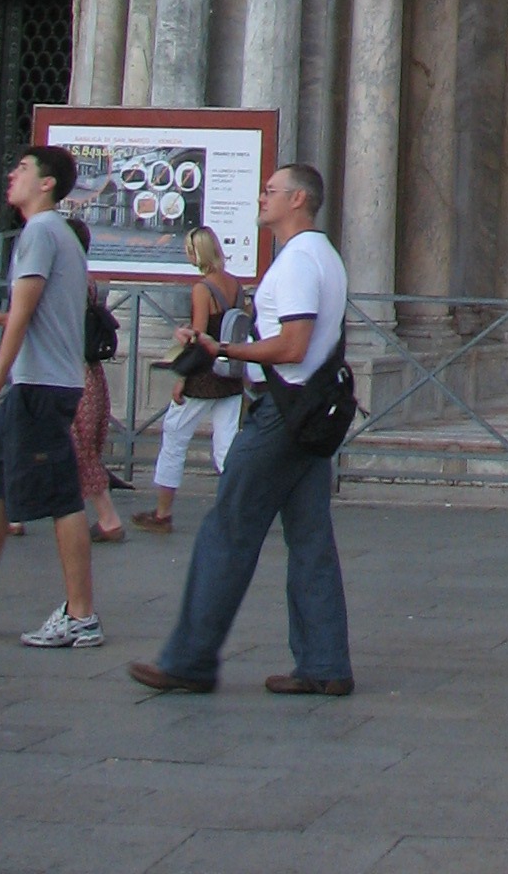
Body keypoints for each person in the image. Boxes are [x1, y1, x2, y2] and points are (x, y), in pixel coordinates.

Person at [128, 164, 353, 697]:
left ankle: (190, 659)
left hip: (282, 411)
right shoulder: (323, 256)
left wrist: (223, 349)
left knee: (227, 529)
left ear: (298, 199)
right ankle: (324, 662)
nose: (262, 197)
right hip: (308, 411)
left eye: (271, 191)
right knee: (310, 539)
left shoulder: (298, 260)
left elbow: (293, 345)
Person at [0, 145, 101, 648]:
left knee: (62, 499)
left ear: (46, 184)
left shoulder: (39, 231)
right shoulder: (55, 234)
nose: (11, 174)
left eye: (22, 168)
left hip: (40, 385)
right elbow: (41, 311)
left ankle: (81, 616)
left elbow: (25, 309)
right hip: (40, 382)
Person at [134, 225, 244, 533]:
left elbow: (199, 337)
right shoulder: (235, 285)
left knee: (175, 435)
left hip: (204, 375)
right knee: (226, 447)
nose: (187, 254)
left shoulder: (202, 288)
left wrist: (182, 376)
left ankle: (163, 512)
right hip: (231, 373)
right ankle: (237, 514)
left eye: (190, 249)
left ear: (199, 253)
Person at [64, 218, 124, 544]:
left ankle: (107, 516)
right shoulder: (88, 279)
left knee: (79, 443)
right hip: (86, 370)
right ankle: (12, 510)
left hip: (69, 370)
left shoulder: (69, 279)